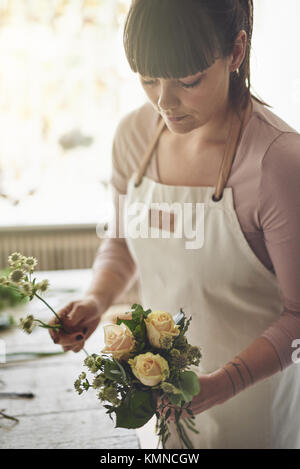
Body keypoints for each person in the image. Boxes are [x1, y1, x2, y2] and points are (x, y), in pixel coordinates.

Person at [49, 0, 300, 449]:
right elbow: (123, 240)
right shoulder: (134, 136)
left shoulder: (277, 161)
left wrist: (224, 383)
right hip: (162, 414)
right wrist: (96, 297)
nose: (165, 101)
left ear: (236, 52)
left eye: (188, 81)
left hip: (252, 417)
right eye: (148, 79)